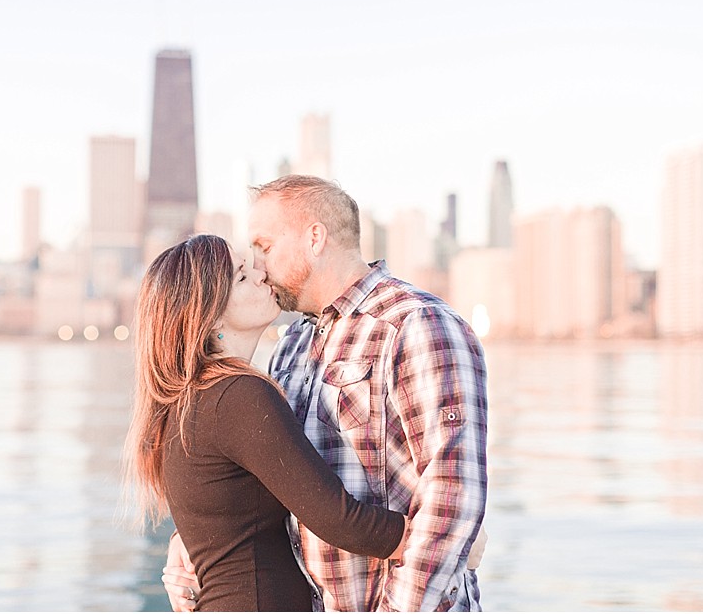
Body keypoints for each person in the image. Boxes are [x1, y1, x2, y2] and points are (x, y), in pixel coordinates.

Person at [165, 176, 488, 612]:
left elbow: (450, 495)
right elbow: (273, 475)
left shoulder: (416, 326)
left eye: (264, 246)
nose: (258, 266)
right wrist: (192, 539)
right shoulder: (293, 344)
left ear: (314, 238)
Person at [125, 233, 410, 612]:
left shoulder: (192, 399)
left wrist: (180, 542)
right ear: (210, 317)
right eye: (242, 276)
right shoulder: (239, 396)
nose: (261, 274)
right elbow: (340, 520)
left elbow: (224, 518)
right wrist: (445, 541)